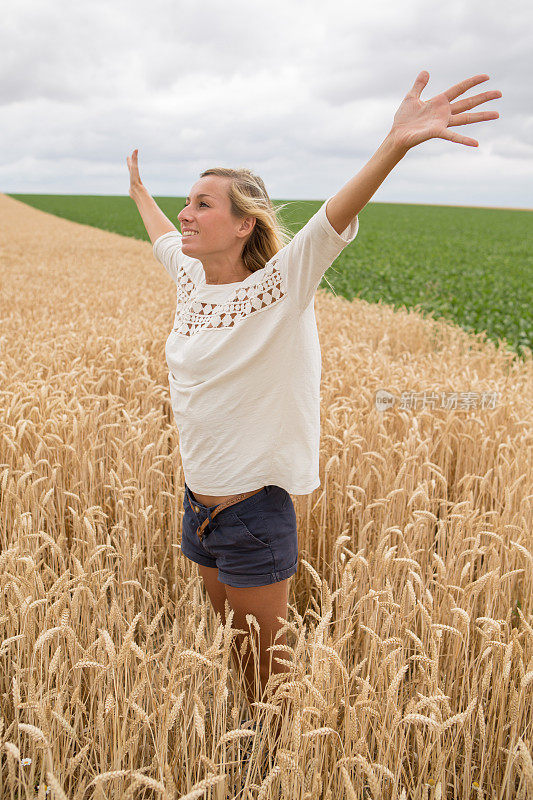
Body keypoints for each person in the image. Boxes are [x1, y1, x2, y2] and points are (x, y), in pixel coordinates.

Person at [127, 71, 501, 724]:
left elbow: (333, 217)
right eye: (187, 201)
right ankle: (250, 734)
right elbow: (161, 231)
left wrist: (396, 142)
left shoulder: (281, 285)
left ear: (245, 225)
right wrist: (137, 188)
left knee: (267, 671)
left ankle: (277, 760)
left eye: (204, 204)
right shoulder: (189, 278)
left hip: (252, 514)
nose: (187, 213)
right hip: (197, 505)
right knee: (234, 648)